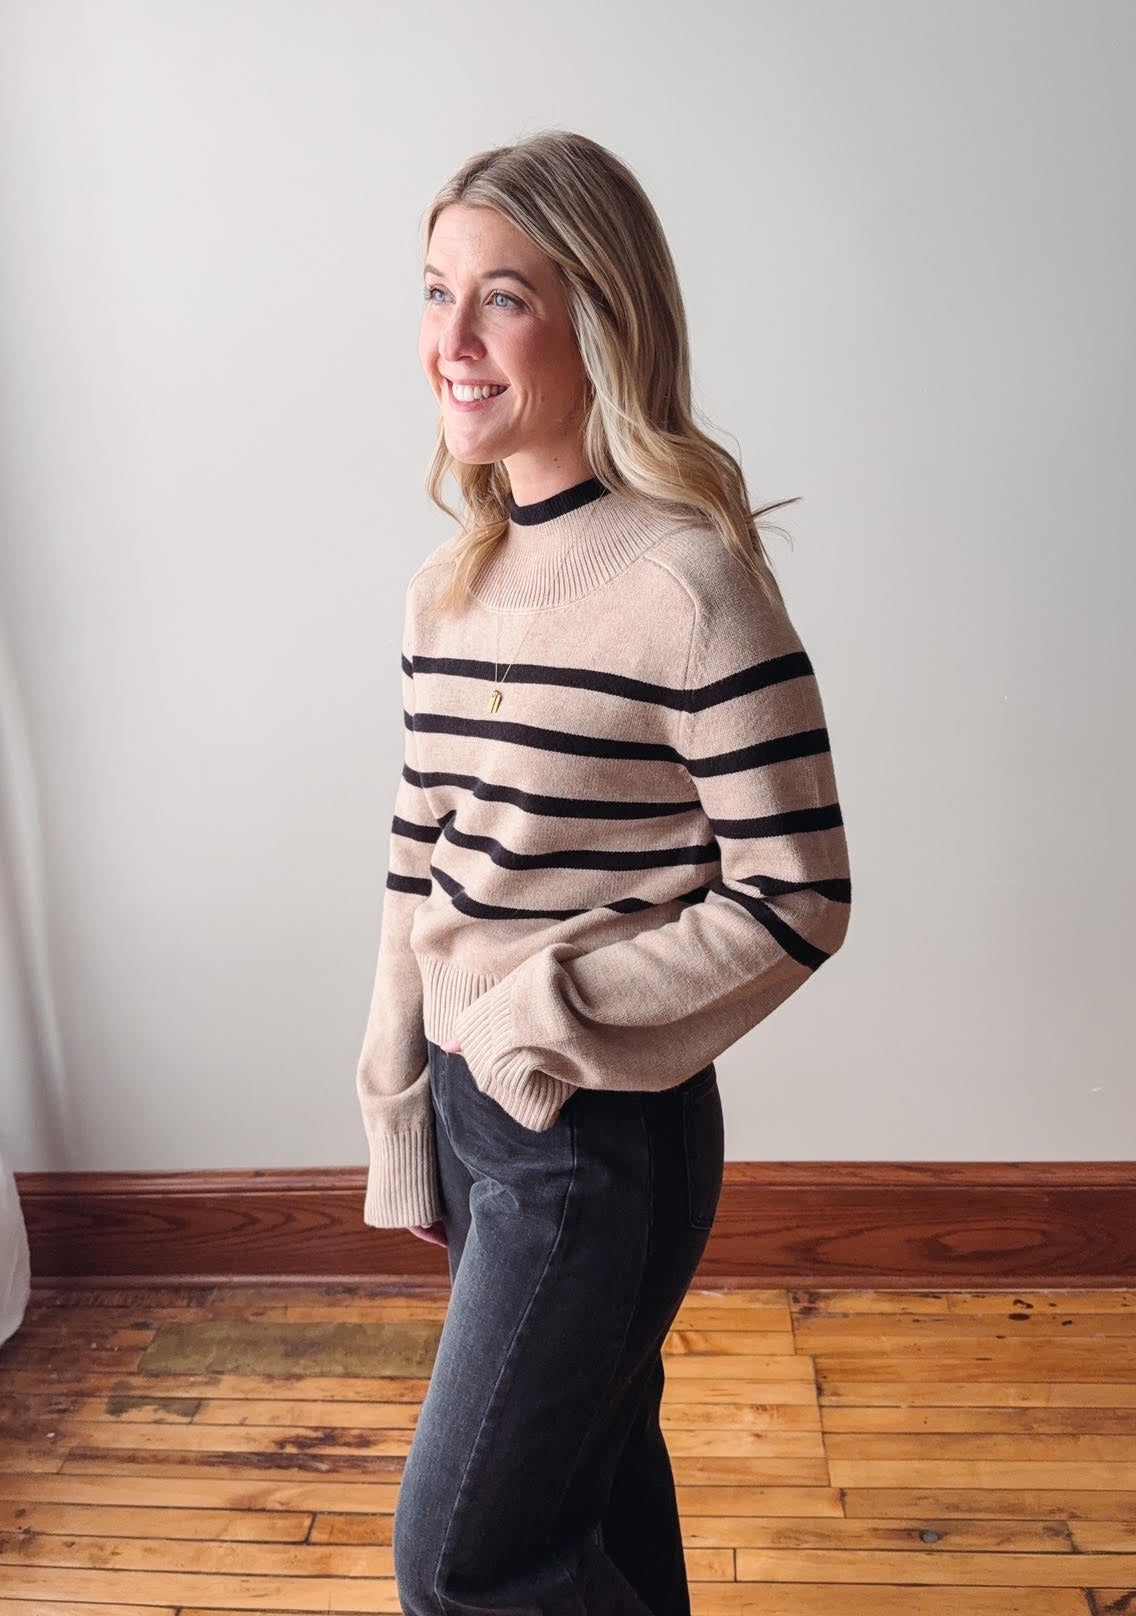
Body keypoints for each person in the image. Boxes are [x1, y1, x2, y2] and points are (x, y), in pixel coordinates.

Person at [353, 128, 852, 1616]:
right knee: (589, 1501)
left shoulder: (687, 584)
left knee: (463, 1559)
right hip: (477, 1112)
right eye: (435, 291)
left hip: (593, 1134)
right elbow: (421, 849)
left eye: (501, 297)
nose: (452, 339)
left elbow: (794, 897)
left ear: (599, 318)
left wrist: (523, 1023)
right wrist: (401, 1091)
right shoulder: (451, 585)